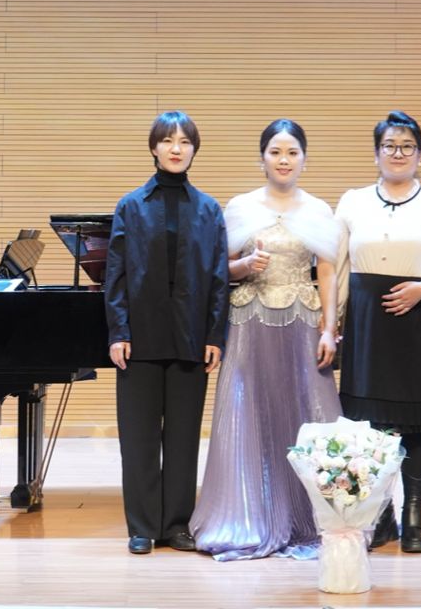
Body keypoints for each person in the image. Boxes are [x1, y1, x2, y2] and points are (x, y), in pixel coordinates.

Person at [190, 119, 342, 561]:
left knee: (306, 411)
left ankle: (310, 516)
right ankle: (248, 515)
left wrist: (329, 328)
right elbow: (220, 269)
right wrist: (244, 267)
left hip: (302, 322)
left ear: (304, 159)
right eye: (275, 152)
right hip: (250, 321)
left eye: (292, 152)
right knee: (249, 411)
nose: (284, 160)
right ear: (262, 158)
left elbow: (327, 272)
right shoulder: (239, 207)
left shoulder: (318, 209)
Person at [335, 110, 421, 553]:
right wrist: (333, 323)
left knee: (415, 422)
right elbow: (338, 266)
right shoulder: (353, 201)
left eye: (407, 146)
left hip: (418, 320)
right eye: (389, 146)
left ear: (420, 155)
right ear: (376, 153)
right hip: (366, 324)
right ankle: (378, 516)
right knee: (368, 425)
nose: (398, 153)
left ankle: (413, 517)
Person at [104, 110, 229, 555]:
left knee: (183, 437)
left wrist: (215, 335)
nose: (176, 148)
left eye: (185, 141)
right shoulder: (131, 205)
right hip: (139, 337)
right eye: (168, 140)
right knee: (138, 437)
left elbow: (219, 278)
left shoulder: (209, 209)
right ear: (154, 148)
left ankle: (176, 525)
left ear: (194, 149)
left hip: (190, 336)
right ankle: (141, 526)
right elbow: (116, 275)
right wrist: (118, 331)